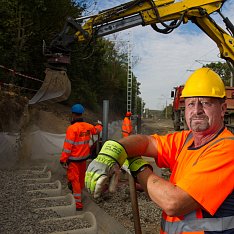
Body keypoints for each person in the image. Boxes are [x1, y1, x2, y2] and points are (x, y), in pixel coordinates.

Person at [85, 68, 234, 233]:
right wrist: (114, 150)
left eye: (206, 102)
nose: (197, 110)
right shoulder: (186, 139)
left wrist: (136, 165)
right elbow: (147, 142)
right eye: (191, 103)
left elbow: (174, 203)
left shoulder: (228, 149)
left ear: (222, 109)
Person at [60, 103, 103, 211]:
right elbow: (97, 130)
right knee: (80, 179)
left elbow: (67, 147)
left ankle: (78, 204)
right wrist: (99, 125)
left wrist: (63, 159)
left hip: (73, 160)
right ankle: (78, 194)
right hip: (83, 159)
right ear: (81, 114)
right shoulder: (88, 126)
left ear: (73, 114)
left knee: (74, 180)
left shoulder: (72, 128)